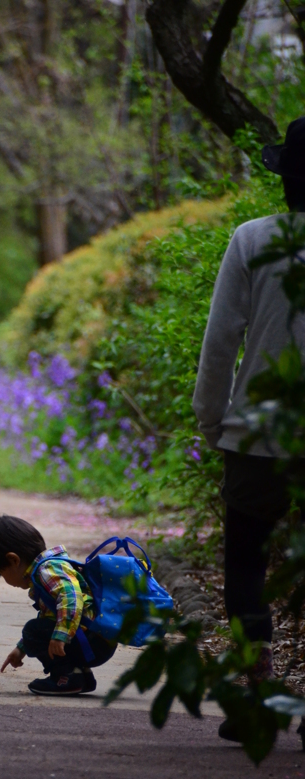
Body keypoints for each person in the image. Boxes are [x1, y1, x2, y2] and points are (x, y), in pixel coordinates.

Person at [192, 115, 305, 745]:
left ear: (284, 180)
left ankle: (256, 689)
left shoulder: (253, 239)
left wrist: (213, 419)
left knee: (246, 563)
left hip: (258, 434)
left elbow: (220, 343)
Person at [0, 515, 116, 697]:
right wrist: (21, 648)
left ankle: (65, 676)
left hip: (93, 642)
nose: (4, 580)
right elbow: (49, 617)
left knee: (32, 631)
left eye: (1, 574)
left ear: (13, 560)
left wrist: (61, 635)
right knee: (36, 630)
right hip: (97, 641)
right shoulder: (49, 569)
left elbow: (71, 597)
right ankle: (80, 675)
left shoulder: (46, 571)